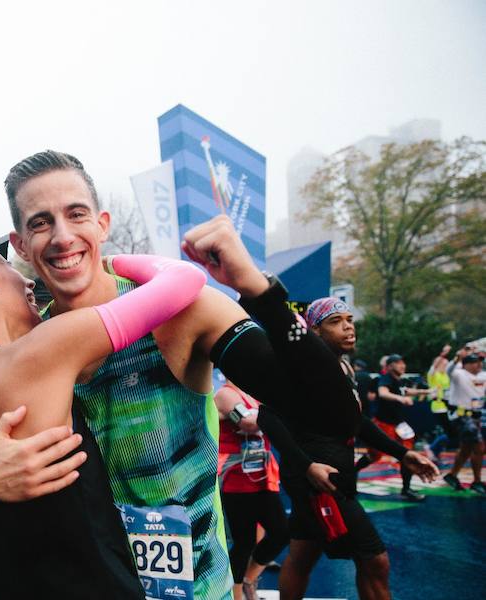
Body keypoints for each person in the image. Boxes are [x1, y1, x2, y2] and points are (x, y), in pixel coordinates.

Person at [0, 151, 338, 599]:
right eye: (41, 222)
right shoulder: (23, 352)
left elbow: (329, 413)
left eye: (76, 214)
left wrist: (260, 290)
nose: (63, 237)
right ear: (20, 244)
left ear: (101, 224)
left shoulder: (182, 314)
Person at [0, 235, 208, 598]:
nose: (27, 281)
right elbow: (183, 281)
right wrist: (108, 264)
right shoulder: (42, 351)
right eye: (7, 267)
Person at [181, 218, 438, 600]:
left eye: (350, 320)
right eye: (336, 322)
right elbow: (267, 415)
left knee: (301, 554)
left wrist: (404, 454)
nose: (349, 328)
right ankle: (254, 285)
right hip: (321, 482)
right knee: (375, 561)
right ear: (316, 331)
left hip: (318, 477)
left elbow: (355, 421)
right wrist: (306, 465)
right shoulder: (308, 371)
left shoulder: (344, 372)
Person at [215, 381, 288, 600]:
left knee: (281, 532)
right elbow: (248, 423)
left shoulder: (255, 396)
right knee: (243, 541)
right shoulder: (226, 394)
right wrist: (276, 411)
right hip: (236, 477)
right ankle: (236, 594)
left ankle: (249, 579)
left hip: (262, 476)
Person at [373, 354, 432, 501]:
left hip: (398, 424)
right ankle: (352, 475)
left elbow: (405, 391)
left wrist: (424, 392)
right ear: (390, 366)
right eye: (399, 363)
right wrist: (401, 399)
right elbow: (383, 393)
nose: (403, 365)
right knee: (373, 456)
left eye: (403, 362)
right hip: (384, 424)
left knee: (407, 454)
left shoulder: (399, 381)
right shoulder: (386, 378)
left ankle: (406, 489)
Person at [443, 353, 485, 494]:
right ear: (465, 364)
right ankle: (477, 482)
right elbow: (449, 370)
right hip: (461, 416)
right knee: (479, 448)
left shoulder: (482, 376)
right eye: (474, 362)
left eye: (480, 361)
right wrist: (457, 358)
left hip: (475, 416)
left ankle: (452, 475)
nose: (478, 364)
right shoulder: (459, 374)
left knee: (466, 448)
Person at [426, 345, 453, 459]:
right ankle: (432, 448)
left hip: (448, 405)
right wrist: (443, 354)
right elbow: (435, 365)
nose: (446, 366)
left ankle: (435, 450)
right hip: (438, 405)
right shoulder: (433, 375)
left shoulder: (446, 375)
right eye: (444, 364)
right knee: (449, 431)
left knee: (449, 431)